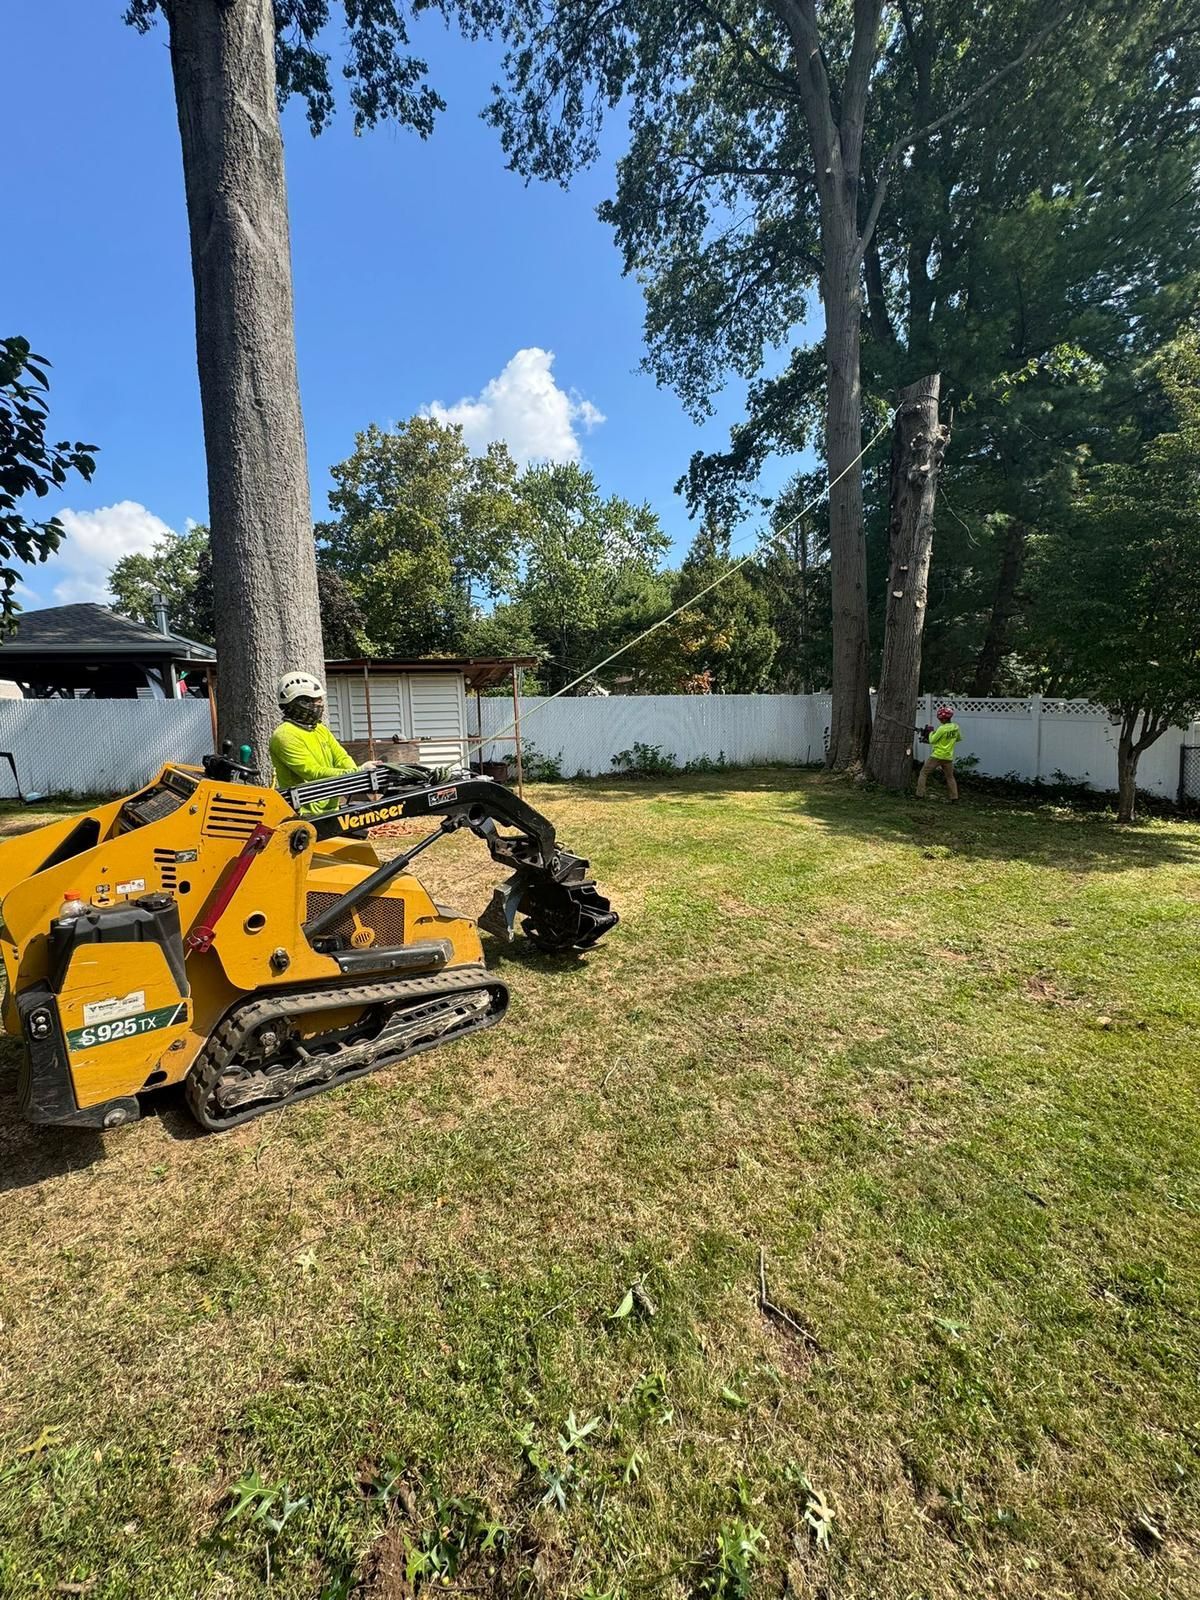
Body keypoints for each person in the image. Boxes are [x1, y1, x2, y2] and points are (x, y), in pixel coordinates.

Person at [269, 671, 368, 815]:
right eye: (317, 700)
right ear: (301, 703)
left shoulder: (320, 729)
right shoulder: (285, 735)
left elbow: (341, 758)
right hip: (303, 813)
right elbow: (312, 772)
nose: (321, 704)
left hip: (330, 808)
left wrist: (357, 776)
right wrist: (357, 772)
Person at [916, 705, 962, 801]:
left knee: (923, 773)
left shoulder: (941, 728)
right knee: (950, 777)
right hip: (948, 757)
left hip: (937, 756)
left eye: (940, 718)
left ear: (943, 719)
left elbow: (932, 740)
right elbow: (958, 739)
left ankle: (919, 795)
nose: (940, 720)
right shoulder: (955, 727)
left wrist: (931, 732)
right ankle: (954, 797)